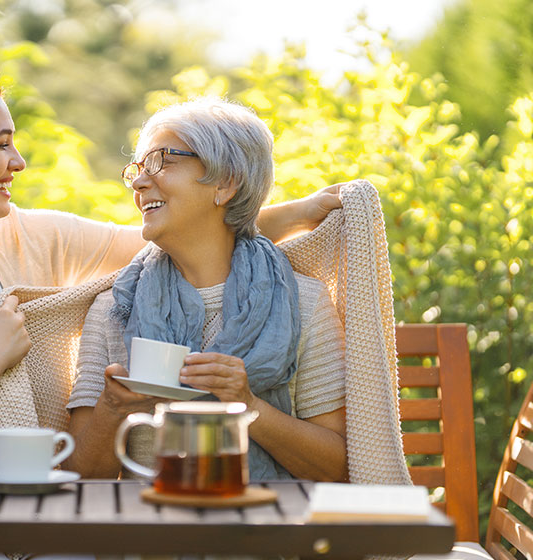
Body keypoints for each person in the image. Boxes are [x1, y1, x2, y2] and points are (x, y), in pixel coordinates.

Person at [0, 60, 341, 559]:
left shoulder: (20, 236)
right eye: (1, 144)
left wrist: (289, 212)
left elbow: (167, 238)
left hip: (12, 504)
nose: (18, 161)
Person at [66, 98, 348, 482]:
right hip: (150, 531)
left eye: (163, 160)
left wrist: (247, 406)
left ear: (226, 183)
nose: (139, 181)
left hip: (267, 531)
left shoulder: (304, 302)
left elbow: (338, 468)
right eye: (138, 168)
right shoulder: (114, 307)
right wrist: (112, 409)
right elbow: (81, 478)